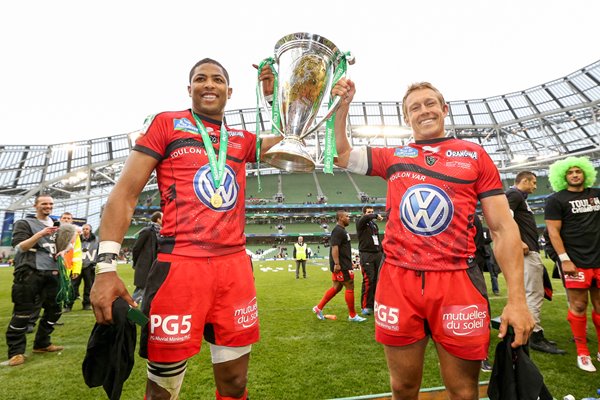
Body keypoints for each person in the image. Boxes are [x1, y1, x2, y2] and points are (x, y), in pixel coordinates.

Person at [90, 58, 281, 400]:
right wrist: (105, 268)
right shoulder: (167, 124)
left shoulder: (240, 139)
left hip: (234, 269)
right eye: (200, 79)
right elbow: (124, 194)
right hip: (180, 267)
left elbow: (287, 142)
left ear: (230, 91)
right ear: (189, 88)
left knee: (236, 383)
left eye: (218, 79)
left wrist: (272, 95)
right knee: (162, 389)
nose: (209, 84)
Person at [332, 80, 534, 398]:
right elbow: (342, 154)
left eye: (430, 103)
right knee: (403, 387)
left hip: (459, 282)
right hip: (399, 281)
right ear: (406, 118)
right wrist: (343, 107)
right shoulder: (394, 155)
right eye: (415, 107)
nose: (424, 110)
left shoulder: (474, 155)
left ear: (444, 109)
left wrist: (517, 301)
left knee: (464, 390)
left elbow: (503, 229)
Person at [544, 156, 600, 372]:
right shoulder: (556, 200)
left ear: (586, 173)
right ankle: (583, 352)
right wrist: (564, 259)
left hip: (598, 259)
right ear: (563, 176)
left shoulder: (596, 194)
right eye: (570, 172)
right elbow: (553, 231)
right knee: (578, 306)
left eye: (578, 171)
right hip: (575, 262)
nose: (575, 174)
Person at [505, 171, 565, 355]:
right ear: (524, 181)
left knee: (529, 292)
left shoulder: (517, 196)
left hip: (527, 250)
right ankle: (534, 335)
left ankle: (529, 331)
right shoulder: (514, 194)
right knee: (535, 292)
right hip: (525, 251)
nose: (535, 187)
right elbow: (504, 219)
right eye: (534, 182)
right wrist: (518, 241)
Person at [5, 194, 64, 366]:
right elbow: (21, 247)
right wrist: (40, 234)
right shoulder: (24, 223)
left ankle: (42, 343)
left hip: (52, 272)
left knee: (55, 310)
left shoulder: (56, 225)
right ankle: (16, 352)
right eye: (44, 203)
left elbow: (59, 246)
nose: (48, 206)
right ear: (35, 206)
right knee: (23, 312)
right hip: (29, 272)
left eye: (51, 203)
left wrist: (63, 250)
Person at [312, 210, 367, 322]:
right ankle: (352, 316)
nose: (349, 218)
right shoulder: (338, 231)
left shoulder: (341, 230)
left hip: (342, 263)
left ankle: (318, 308)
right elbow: (335, 247)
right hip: (341, 265)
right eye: (347, 216)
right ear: (341, 218)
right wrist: (337, 264)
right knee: (349, 286)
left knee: (337, 287)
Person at [356, 205, 384, 316]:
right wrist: (376, 215)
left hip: (377, 254)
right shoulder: (361, 222)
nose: (370, 214)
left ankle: (373, 304)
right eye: (368, 212)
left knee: (377, 280)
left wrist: (382, 252)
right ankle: (366, 306)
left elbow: (377, 239)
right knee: (369, 280)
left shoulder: (374, 225)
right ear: (364, 213)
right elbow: (365, 218)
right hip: (366, 254)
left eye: (372, 212)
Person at [131, 211, 162, 303]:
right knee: (141, 291)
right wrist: (136, 263)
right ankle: (130, 309)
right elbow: (136, 248)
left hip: (155, 266)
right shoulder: (147, 231)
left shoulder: (162, 232)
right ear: (158, 219)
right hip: (145, 266)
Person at [72, 223, 99, 311]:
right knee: (73, 286)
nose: (85, 230)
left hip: (89, 266)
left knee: (89, 286)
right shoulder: (76, 239)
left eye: (87, 229)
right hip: (78, 265)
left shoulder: (96, 240)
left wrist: (96, 263)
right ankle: (68, 305)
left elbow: (99, 251)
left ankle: (87, 304)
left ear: (90, 230)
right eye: (83, 229)